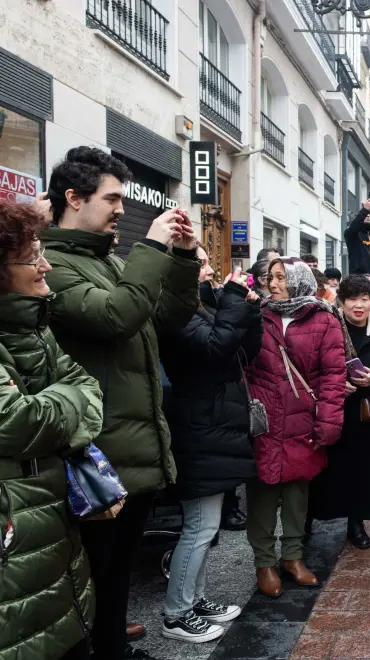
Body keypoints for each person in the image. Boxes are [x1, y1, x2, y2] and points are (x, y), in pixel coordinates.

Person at [43, 146, 200, 660]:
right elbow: (116, 316)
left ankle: (113, 647)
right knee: (93, 575)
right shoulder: (54, 266)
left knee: (114, 579)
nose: (121, 210)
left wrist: (178, 258)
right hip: (98, 455)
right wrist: (150, 248)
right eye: (112, 198)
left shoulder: (107, 261)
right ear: (73, 197)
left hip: (132, 450)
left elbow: (166, 318)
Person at [0, 200, 104, 660]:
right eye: (30, 257)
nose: (45, 265)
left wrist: (58, 405)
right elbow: (17, 423)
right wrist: (68, 406)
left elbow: (88, 385)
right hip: (15, 551)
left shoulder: (33, 326)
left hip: (52, 543)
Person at [157, 247, 262, 642]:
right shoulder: (175, 310)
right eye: (198, 262)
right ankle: (176, 614)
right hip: (197, 426)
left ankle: (194, 599)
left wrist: (248, 313)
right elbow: (215, 346)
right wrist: (234, 299)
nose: (206, 268)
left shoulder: (201, 305)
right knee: (200, 527)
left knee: (207, 526)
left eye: (205, 261)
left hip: (213, 425)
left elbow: (238, 352)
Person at [245, 258, 347, 597]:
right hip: (263, 420)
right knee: (261, 492)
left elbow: (334, 376)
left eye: (280, 278)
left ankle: (292, 557)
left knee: (296, 494)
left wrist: (328, 422)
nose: (272, 284)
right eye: (269, 277)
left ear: (299, 281)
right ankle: (264, 562)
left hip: (303, 419)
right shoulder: (258, 314)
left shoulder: (323, 319)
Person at [309, 275, 370, 549]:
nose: (359, 305)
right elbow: (311, 366)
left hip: (365, 415)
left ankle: (356, 524)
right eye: (352, 299)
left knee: (362, 473)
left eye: (364, 299)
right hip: (331, 412)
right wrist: (335, 384)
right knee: (326, 470)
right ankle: (311, 522)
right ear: (342, 301)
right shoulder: (328, 327)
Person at [343, 198, 370, 275]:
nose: (367, 216)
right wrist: (365, 210)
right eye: (365, 215)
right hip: (358, 277)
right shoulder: (352, 234)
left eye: (369, 215)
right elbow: (353, 227)